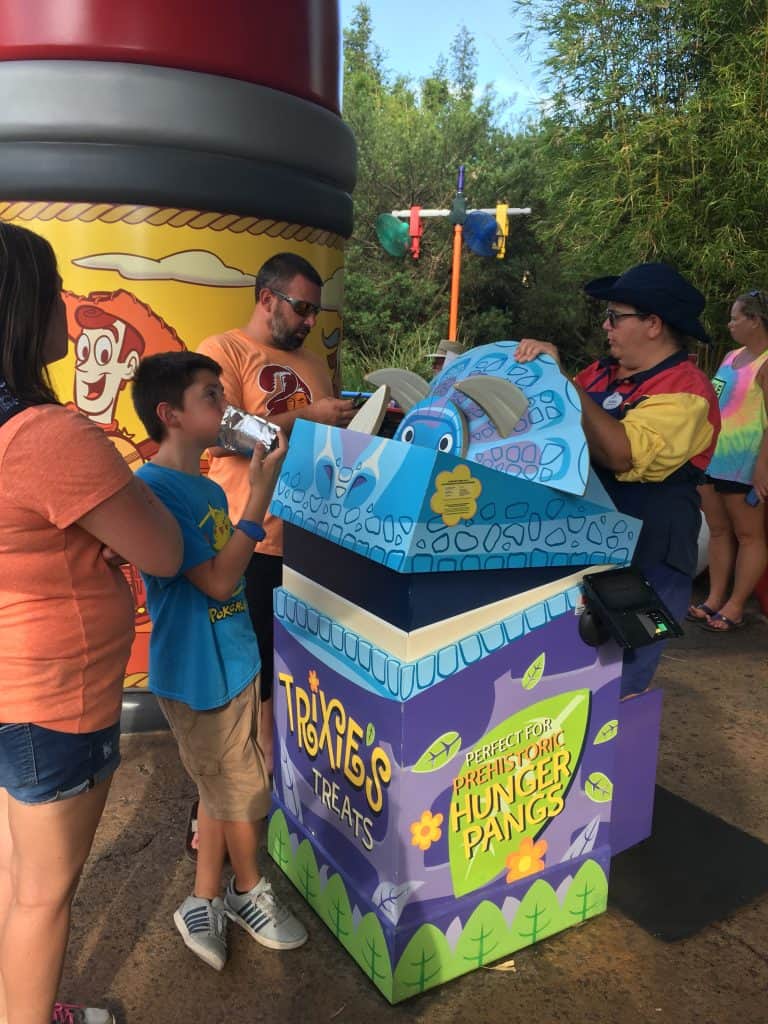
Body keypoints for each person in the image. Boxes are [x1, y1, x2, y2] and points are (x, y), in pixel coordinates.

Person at [0, 223, 183, 1024]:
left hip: (11, 686)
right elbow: (165, 551)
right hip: (55, 692)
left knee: (15, 872)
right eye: (53, 297)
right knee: (46, 895)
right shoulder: (47, 437)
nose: (68, 320)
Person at [132, 350, 307, 973]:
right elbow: (214, 579)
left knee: (220, 782)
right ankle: (248, 889)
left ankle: (204, 898)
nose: (226, 408)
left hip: (231, 657)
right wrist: (258, 502)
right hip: (197, 671)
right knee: (243, 792)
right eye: (212, 396)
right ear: (170, 414)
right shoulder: (151, 491)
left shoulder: (205, 485)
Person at [515, 262, 721, 697]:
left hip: (649, 558)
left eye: (615, 316)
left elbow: (620, 452)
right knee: (566, 669)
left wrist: (562, 385)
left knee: (622, 680)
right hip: (584, 542)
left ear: (652, 324)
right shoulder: (598, 373)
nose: (605, 326)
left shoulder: (688, 393)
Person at [198, 252, 356, 774]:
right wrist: (304, 417)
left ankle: (279, 789)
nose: (311, 322)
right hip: (249, 541)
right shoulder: (223, 351)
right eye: (302, 308)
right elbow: (219, 432)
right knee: (246, 679)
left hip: (311, 543)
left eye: (315, 311)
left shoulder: (313, 364)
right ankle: (223, 808)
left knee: (301, 678)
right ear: (267, 299)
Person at [689, 289, 768, 631]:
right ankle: (714, 598)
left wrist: (762, 466)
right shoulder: (730, 357)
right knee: (719, 531)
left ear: (755, 320)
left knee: (749, 535)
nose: (730, 323)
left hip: (746, 462)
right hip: (713, 458)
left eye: (736, 317)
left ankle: (736, 605)